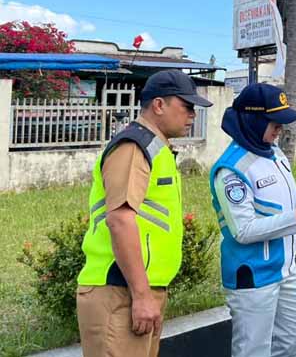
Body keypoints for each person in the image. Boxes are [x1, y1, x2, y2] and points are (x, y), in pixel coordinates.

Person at [76, 70, 213, 357]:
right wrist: (141, 295)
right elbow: (120, 219)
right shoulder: (134, 146)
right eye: (186, 106)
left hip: (137, 290)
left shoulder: (157, 148)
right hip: (120, 290)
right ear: (159, 105)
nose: (192, 115)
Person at [209, 83, 296, 357]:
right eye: (274, 122)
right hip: (254, 275)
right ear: (253, 120)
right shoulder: (231, 169)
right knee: (253, 351)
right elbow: (243, 230)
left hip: (285, 269)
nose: (280, 128)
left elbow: (282, 203)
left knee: (293, 341)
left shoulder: (274, 153)